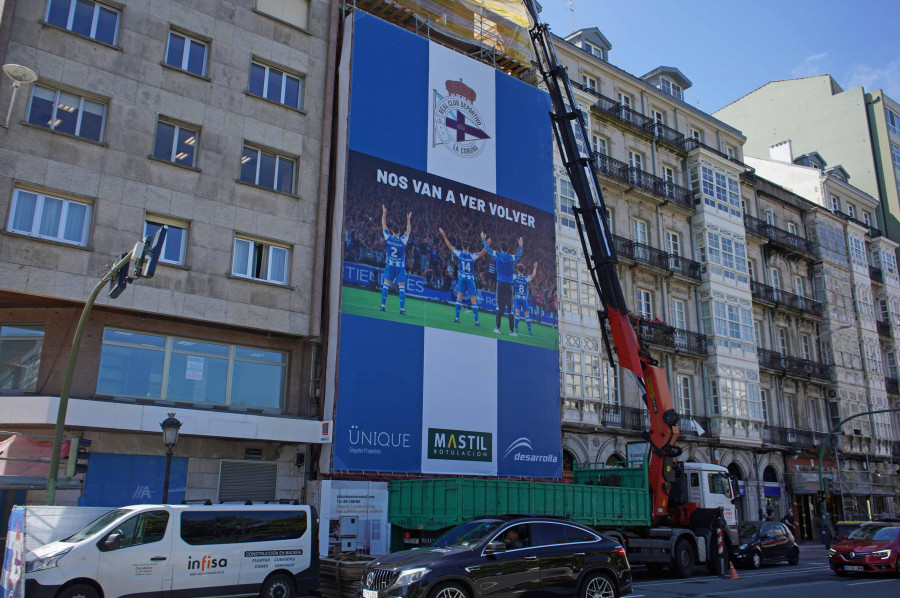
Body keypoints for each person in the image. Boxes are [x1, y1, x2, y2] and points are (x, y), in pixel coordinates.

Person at [438, 227, 486, 327]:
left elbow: (449, 246)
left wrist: (443, 234)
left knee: (459, 299)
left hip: (462, 278)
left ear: (463, 247)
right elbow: (482, 253)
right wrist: (485, 242)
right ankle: (476, 322)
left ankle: (457, 318)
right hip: (470, 279)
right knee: (473, 300)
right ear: (468, 247)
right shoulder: (472, 255)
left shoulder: (459, 253)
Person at [481, 232, 522, 336]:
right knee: (510, 308)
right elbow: (518, 255)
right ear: (507, 249)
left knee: (499, 307)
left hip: (500, 284)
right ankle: (512, 331)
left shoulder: (498, 255)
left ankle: (498, 328)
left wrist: (483, 239)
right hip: (509, 285)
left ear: (500, 249)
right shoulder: (511, 258)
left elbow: (487, 249)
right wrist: (520, 245)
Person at [379, 205, 411, 315]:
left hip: (390, 265)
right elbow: (408, 230)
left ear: (392, 231)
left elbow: (383, 225)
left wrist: (384, 213)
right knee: (401, 288)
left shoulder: (388, 237)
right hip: (400, 267)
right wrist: (408, 219)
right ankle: (402, 309)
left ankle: (383, 306)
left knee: (386, 285)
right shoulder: (403, 240)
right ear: (399, 232)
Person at [512, 262, 539, 336]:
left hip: (517, 298)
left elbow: (508, 273)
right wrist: (535, 268)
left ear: (518, 270)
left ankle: (516, 329)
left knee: (517, 314)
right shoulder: (526, 278)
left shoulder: (515, 276)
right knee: (527, 315)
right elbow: (533, 275)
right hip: (524, 299)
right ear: (523, 271)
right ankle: (530, 331)